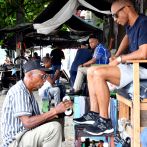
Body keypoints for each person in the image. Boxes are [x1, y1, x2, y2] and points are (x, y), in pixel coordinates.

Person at [73, 0, 147, 136]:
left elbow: (143, 53)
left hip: (142, 68)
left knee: (99, 73)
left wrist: (119, 59)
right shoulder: (132, 25)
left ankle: (105, 121)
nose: (115, 19)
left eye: (116, 15)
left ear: (126, 9)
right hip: (133, 66)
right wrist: (117, 54)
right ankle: (95, 113)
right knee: (90, 71)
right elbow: (127, 37)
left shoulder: (144, 22)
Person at [1, 59, 72, 147]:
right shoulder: (19, 91)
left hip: (25, 135)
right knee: (54, 128)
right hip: (16, 141)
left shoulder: (28, 91)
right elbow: (28, 123)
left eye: (46, 77)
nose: (45, 80)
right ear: (30, 75)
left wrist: (57, 113)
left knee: (57, 119)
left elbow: (35, 120)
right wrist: (54, 111)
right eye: (43, 76)